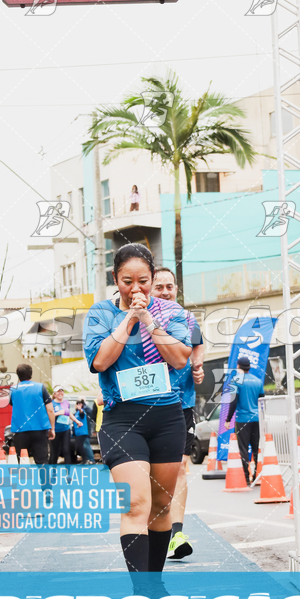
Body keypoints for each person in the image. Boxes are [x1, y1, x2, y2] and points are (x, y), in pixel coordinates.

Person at [84, 243, 191, 580]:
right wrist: (130, 318)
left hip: (167, 417)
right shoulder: (100, 314)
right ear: (115, 279)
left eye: (143, 281)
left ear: (152, 277)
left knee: (160, 507)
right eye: (127, 281)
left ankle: (154, 584)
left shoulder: (172, 313)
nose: (136, 289)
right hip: (123, 419)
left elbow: (179, 358)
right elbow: (99, 361)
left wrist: (148, 318)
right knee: (135, 505)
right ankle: (141, 591)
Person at [151, 266, 204, 561]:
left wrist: (197, 366)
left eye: (170, 286)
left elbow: (198, 345)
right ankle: (153, 529)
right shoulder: (137, 317)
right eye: (160, 287)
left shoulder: (186, 316)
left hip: (180, 404)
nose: (166, 292)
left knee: (180, 468)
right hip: (144, 405)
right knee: (150, 475)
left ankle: (176, 534)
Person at [0, 363, 55, 465]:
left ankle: (24, 480)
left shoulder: (13, 390)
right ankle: (46, 481)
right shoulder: (41, 388)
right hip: (40, 429)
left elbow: (12, 404)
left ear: (18, 375)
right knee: (42, 461)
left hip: (20, 431)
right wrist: (52, 428)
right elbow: (50, 410)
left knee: (22, 461)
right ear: (31, 374)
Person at [225, 355, 264, 485]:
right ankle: (257, 475)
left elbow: (233, 401)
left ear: (238, 366)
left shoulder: (236, 380)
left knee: (243, 448)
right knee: (256, 447)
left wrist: (228, 419)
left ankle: (246, 478)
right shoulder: (258, 381)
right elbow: (262, 400)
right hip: (257, 419)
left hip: (242, 419)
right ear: (249, 367)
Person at [49, 386, 82, 464]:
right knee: (55, 453)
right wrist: (58, 413)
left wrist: (77, 421)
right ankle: (53, 473)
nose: (60, 393)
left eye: (62, 391)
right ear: (54, 394)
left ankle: (68, 474)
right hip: (55, 430)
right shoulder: (51, 403)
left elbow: (68, 413)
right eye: (58, 391)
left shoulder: (66, 402)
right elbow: (49, 415)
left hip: (65, 429)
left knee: (66, 450)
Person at [73, 399, 96, 464]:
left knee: (86, 446)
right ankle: (85, 460)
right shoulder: (76, 413)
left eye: (80, 404)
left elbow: (82, 414)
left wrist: (80, 409)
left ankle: (91, 460)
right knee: (82, 447)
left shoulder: (82, 411)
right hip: (78, 433)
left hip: (83, 432)